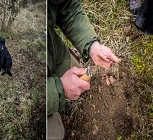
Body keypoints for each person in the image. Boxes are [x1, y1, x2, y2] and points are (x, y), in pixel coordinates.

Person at [47, 0, 121, 139]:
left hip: (50, 48)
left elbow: (66, 6)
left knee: (79, 76)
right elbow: (13, 96)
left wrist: (92, 45)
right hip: (27, 94)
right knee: (56, 134)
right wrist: (58, 89)